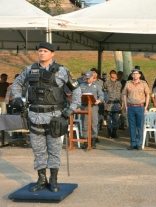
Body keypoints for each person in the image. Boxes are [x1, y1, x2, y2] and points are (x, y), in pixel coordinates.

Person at [11, 42, 81, 192]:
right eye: (40, 51)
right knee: (38, 150)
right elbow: (16, 84)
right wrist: (17, 97)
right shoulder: (30, 70)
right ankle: (41, 179)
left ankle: (53, 179)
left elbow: (76, 89)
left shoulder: (62, 71)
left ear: (52, 53)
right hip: (35, 116)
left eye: (45, 51)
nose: (41, 53)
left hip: (54, 117)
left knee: (54, 149)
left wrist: (72, 108)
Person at [122, 69, 150, 150]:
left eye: (136, 73)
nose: (134, 75)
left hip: (140, 107)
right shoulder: (128, 83)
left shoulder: (143, 84)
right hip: (130, 107)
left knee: (140, 126)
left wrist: (146, 106)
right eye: (133, 73)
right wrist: (126, 106)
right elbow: (124, 94)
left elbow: (147, 95)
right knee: (132, 126)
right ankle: (133, 143)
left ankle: (139, 143)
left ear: (139, 75)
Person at [79, 70, 104, 149]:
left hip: (93, 107)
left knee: (94, 124)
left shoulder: (97, 86)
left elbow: (101, 96)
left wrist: (99, 101)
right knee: (85, 124)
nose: (88, 80)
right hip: (85, 106)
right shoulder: (82, 85)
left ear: (93, 77)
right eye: (86, 78)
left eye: (89, 78)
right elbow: (78, 95)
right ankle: (85, 141)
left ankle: (93, 140)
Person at [104, 70, 122, 138]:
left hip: (116, 104)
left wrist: (121, 102)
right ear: (110, 74)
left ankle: (114, 132)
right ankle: (109, 133)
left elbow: (120, 94)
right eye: (112, 73)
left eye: (114, 73)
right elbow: (105, 93)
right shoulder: (106, 83)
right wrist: (105, 102)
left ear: (116, 75)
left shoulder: (119, 83)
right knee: (108, 119)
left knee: (116, 119)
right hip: (109, 104)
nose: (113, 75)